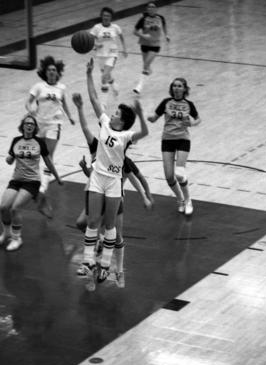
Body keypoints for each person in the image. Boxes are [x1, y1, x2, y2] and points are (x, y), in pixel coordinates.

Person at [79, 58, 149, 290]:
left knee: (110, 226)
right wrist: (89, 74)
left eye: (118, 112)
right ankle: (88, 262)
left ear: (123, 120)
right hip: (97, 177)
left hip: (113, 183)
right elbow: (93, 99)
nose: (114, 113)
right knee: (91, 221)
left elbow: (146, 131)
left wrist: (139, 112)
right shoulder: (106, 123)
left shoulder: (126, 136)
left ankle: (107, 266)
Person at [0, 114, 63, 251]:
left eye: (32, 124)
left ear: (34, 128)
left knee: (15, 208)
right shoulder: (16, 140)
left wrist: (57, 178)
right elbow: (10, 160)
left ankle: (17, 238)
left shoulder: (39, 142)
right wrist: (9, 159)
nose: (29, 125)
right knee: (3, 207)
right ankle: (6, 233)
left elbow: (48, 162)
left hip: (32, 182)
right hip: (16, 180)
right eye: (27, 123)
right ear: (22, 126)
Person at [25, 55, 74, 218]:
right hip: (39, 124)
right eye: (49, 70)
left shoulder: (61, 88)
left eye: (54, 70)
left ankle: (42, 192)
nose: (52, 72)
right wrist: (30, 108)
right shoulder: (38, 87)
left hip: (55, 125)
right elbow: (28, 101)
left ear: (58, 72)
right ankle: (38, 191)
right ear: (45, 72)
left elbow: (64, 103)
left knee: (48, 158)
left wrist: (70, 116)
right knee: (33, 157)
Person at [147, 77, 201, 215]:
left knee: (179, 173)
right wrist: (148, 117)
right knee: (169, 176)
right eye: (174, 86)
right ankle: (180, 199)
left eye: (179, 86)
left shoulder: (189, 104)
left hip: (183, 139)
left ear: (184, 89)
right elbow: (154, 117)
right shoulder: (166, 102)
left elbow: (198, 119)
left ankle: (188, 200)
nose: (176, 88)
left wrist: (192, 124)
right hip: (167, 139)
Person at [90, 7, 128, 109]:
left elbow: (122, 38)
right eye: (104, 15)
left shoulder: (115, 27)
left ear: (111, 17)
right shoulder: (96, 28)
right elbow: (90, 40)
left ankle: (103, 104)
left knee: (103, 77)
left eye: (108, 16)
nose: (106, 17)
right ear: (101, 16)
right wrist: (95, 45)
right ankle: (114, 85)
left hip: (112, 54)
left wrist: (124, 49)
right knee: (107, 76)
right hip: (100, 55)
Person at [133, 2, 170, 94]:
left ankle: (139, 86)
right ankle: (148, 71)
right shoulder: (143, 19)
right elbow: (134, 31)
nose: (151, 8)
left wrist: (166, 35)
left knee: (145, 65)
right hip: (144, 44)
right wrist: (143, 36)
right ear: (147, 9)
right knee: (146, 65)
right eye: (149, 7)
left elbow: (164, 26)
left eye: (153, 7)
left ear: (156, 9)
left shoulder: (160, 18)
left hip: (155, 44)